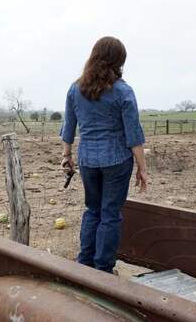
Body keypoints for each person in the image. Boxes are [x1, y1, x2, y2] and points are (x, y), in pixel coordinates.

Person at [60, 36, 147, 274]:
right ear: (118, 61)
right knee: (110, 214)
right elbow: (134, 134)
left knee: (93, 210)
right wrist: (142, 168)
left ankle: (85, 264)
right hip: (117, 161)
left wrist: (66, 155)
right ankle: (104, 269)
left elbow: (69, 126)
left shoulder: (75, 89)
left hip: (87, 160)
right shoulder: (123, 91)